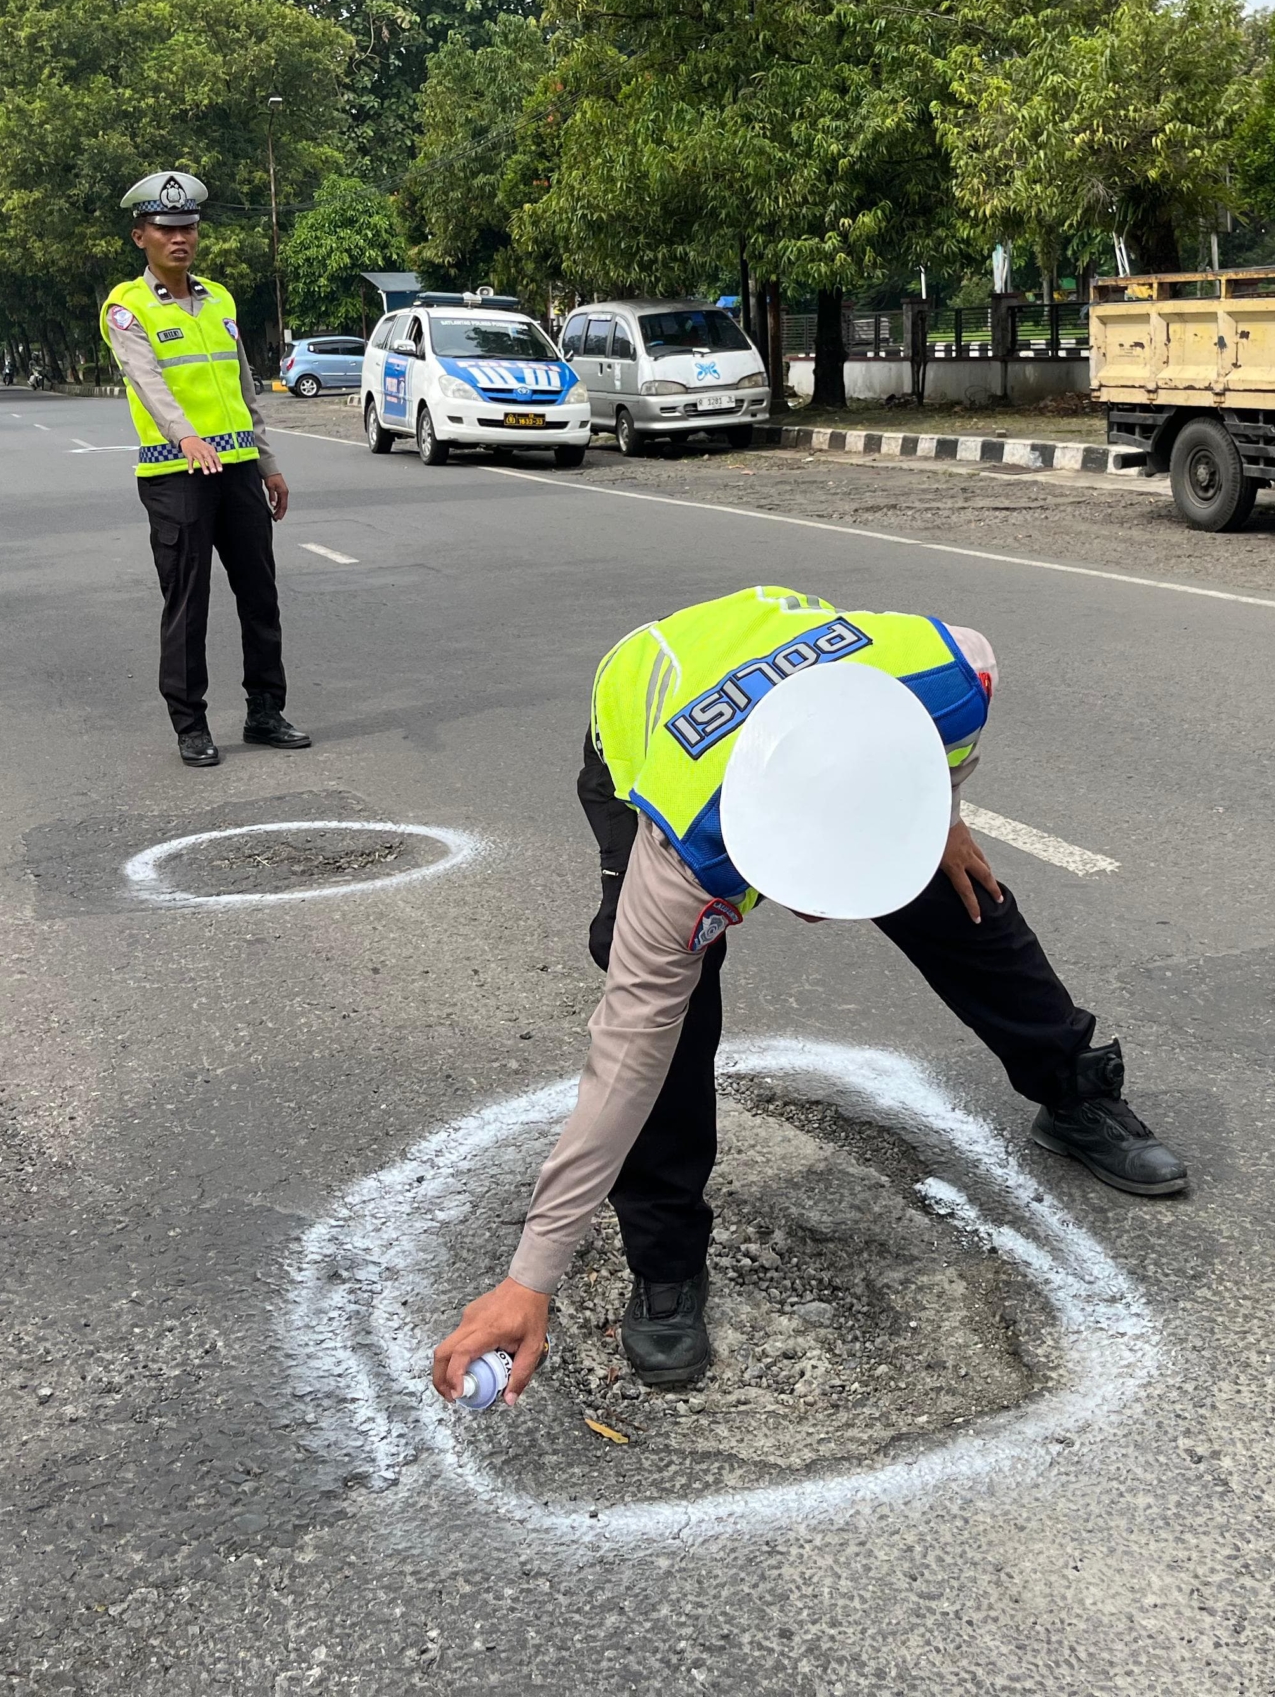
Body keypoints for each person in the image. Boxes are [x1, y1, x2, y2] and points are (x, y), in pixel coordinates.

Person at [432, 585, 1187, 1402]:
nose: (828, 917)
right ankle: (666, 1262)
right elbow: (624, 1060)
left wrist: (943, 817)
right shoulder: (687, 850)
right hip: (652, 736)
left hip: (822, 710)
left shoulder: (955, 677)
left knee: (960, 895)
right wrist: (531, 1278)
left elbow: (943, 762)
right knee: (670, 1014)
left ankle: (1070, 1091)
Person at [100, 168, 311, 768]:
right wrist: (187, 438)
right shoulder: (126, 306)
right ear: (141, 236)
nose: (179, 239)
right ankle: (190, 724)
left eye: (188, 227)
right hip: (176, 476)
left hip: (240, 469)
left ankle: (265, 710)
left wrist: (269, 464)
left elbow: (244, 388)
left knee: (260, 595)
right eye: (165, 229)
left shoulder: (220, 298)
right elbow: (149, 383)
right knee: (188, 602)